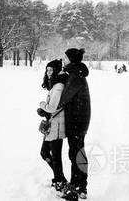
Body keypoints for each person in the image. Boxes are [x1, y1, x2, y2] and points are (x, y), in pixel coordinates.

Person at [59, 48, 91, 200]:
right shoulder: (75, 73)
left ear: (71, 59)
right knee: (78, 153)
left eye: (65, 58)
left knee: (76, 154)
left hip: (77, 122)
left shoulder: (75, 76)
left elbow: (63, 99)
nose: (63, 60)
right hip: (78, 120)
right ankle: (81, 187)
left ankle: (76, 188)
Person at [38, 58, 68, 193]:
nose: (49, 72)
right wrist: (44, 111)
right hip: (53, 124)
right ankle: (60, 179)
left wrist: (42, 105)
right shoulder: (54, 84)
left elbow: (52, 107)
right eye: (47, 70)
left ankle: (60, 181)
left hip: (57, 126)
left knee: (55, 157)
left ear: (56, 70)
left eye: (51, 70)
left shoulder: (58, 86)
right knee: (45, 153)